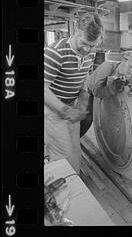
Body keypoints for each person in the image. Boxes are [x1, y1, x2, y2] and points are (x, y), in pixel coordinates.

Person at [44, 13, 104, 173]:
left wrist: (84, 96)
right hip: (52, 109)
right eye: (84, 43)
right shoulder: (55, 52)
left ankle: (75, 186)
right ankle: (62, 192)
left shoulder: (90, 52)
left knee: (75, 148)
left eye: (92, 45)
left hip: (72, 105)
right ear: (76, 32)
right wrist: (64, 110)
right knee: (62, 154)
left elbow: (85, 74)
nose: (87, 50)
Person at [82, 50, 132, 125]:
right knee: (87, 120)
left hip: (103, 96)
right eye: (130, 67)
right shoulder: (107, 66)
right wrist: (113, 87)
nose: (131, 71)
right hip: (88, 93)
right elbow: (96, 91)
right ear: (123, 61)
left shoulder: (127, 75)